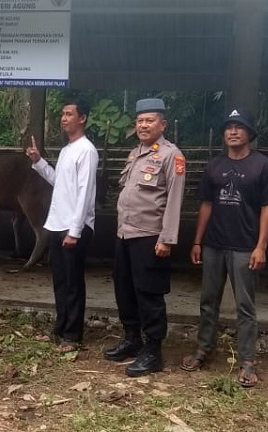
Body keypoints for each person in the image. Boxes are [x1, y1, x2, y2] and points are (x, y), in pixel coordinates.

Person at [181, 108, 268, 388]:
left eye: (239, 127)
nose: (233, 131)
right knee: (207, 301)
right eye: (228, 127)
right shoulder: (214, 165)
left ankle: (248, 361)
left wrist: (261, 247)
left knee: (245, 306)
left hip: (244, 246)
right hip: (213, 244)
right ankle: (204, 349)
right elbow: (206, 205)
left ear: (249, 133)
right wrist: (197, 241)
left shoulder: (262, 165)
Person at [104, 98, 186, 377]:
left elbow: (174, 200)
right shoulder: (135, 154)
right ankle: (132, 338)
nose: (143, 125)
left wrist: (167, 239)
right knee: (124, 288)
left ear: (162, 124)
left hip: (150, 237)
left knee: (149, 293)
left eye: (149, 120)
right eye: (140, 121)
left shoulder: (171, 155)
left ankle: (153, 351)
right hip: (125, 234)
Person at [27, 99, 98, 353]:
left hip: (73, 227)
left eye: (69, 114)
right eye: (62, 114)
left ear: (83, 118)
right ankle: (61, 327)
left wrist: (75, 231)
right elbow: (60, 182)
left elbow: (84, 193)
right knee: (60, 281)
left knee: (73, 283)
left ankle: (72, 335)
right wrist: (39, 162)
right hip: (58, 225)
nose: (64, 118)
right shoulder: (68, 149)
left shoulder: (86, 150)